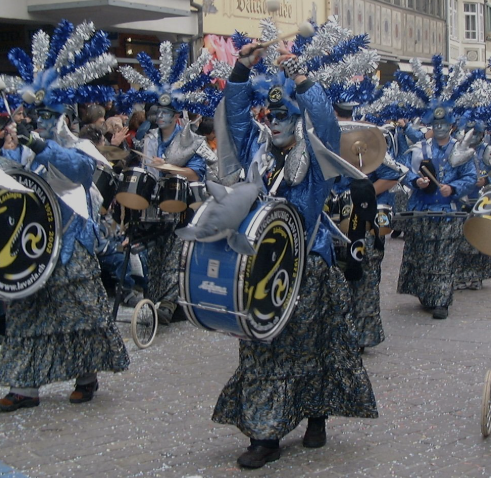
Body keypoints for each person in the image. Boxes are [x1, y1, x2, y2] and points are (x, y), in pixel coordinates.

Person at [211, 42, 377, 469]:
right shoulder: (258, 152)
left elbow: (324, 122)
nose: (275, 122)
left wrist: (301, 76)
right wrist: (241, 72)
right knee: (263, 348)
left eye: (284, 115)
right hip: (262, 268)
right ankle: (265, 434)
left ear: (298, 118)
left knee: (312, 350)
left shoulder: (317, 159)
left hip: (307, 268)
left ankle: (315, 416)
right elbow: (235, 119)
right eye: (271, 115)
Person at [0, 103, 130, 412]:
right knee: (25, 316)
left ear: (62, 118)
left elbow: (78, 170)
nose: (38, 120)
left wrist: (40, 145)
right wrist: (8, 147)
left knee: (81, 315)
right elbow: (10, 179)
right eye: (32, 115)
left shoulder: (79, 148)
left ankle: (86, 377)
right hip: (31, 250)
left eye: (44, 114)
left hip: (69, 246)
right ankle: (24, 388)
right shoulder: (27, 149)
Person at [396, 110, 482, 319]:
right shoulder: (420, 148)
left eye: (444, 124)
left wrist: (453, 188)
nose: (440, 127)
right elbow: (404, 169)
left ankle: (442, 300)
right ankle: (427, 295)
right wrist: (416, 181)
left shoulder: (460, 149)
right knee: (423, 255)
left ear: (452, 126)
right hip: (422, 211)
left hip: (448, 213)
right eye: (436, 124)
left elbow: (471, 177)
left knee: (445, 258)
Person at [331, 101, 402, 352]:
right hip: (334, 223)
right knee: (335, 280)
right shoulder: (324, 139)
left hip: (364, 222)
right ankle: (337, 336)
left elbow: (394, 173)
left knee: (364, 278)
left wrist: (364, 193)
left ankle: (362, 336)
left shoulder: (368, 139)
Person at [141, 104, 207, 325]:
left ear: (176, 115)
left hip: (181, 202)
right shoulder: (149, 138)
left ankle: (169, 304)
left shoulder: (190, 139)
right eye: (157, 112)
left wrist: (167, 166)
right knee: (153, 250)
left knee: (174, 250)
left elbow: (195, 173)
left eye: (165, 113)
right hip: (153, 201)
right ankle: (152, 300)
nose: (159, 117)